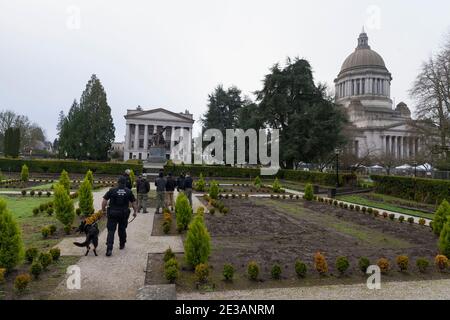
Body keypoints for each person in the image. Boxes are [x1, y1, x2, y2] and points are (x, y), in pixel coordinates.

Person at [102, 176, 138, 257]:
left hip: (112, 213)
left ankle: (109, 249)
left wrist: (103, 210)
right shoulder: (128, 191)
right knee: (122, 229)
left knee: (111, 230)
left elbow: (104, 201)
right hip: (123, 213)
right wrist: (135, 212)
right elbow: (134, 202)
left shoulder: (112, 190)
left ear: (118, 182)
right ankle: (122, 244)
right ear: (125, 183)